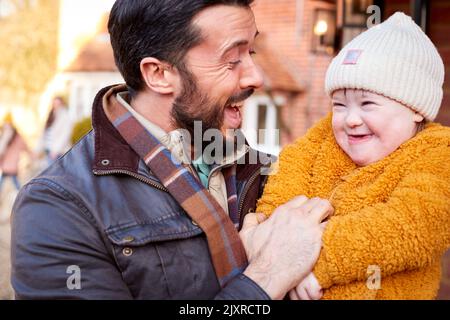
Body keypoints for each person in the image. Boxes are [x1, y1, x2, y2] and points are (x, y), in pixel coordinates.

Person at [11, 0, 331, 300]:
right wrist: (269, 276)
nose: (256, 76)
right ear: (159, 74)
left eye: (252, 52)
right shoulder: (60, 206)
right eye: (232, 60)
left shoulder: (270, 171)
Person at [256, 12, 450, 300]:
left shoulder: (438, 153)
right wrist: (273, 249)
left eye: (367, 104)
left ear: (415, 108)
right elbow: (283, 190)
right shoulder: (320, 140)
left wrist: (306, 264)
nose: (351, 119)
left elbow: (411, 226)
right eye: (339, 104)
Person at [0, 118, 28, 194]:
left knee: (15, 183)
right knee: (11, 182)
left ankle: (22, 194)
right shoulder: (4, 137)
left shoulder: (16, 137)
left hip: (11, 165)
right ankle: (22, 194)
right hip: (6, 165)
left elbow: (25, 146)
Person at [41, 96, 72, 164]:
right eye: (54, 104)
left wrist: (56, 150)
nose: (56, 106)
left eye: (58, 104)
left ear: (62, 104)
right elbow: (46, 133)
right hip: (49, 149)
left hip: (58, 152)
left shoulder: (65, 116)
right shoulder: (51, 115)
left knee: (56, 173)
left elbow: (65, 135)